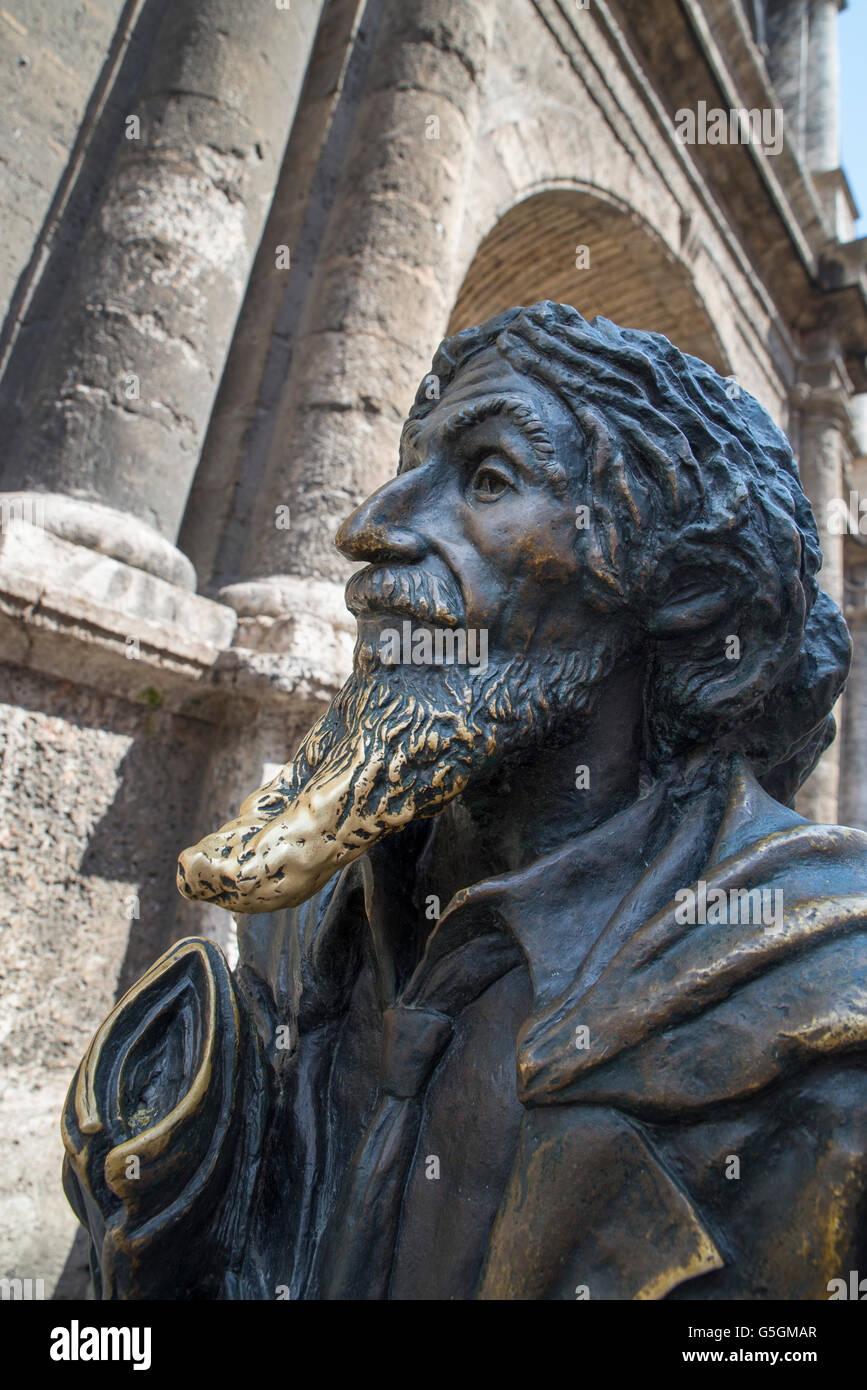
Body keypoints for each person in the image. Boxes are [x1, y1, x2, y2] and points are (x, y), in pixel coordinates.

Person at [63, 302, 867, 1300]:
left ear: (681, 584)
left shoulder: (827, 1010)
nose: (373, 527)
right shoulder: (303, 938)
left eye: (488, 479)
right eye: (408, 469)